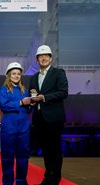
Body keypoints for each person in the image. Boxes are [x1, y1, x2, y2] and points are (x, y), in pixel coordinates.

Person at [29, 45, 68, 185]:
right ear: (37, 59)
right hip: (39, 119)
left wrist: (43, 98)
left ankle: (55, 178)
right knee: (45, 150)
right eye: (41, 56)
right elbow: (32, 96)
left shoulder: (58, 73)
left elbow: (63, 93)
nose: (43, 58)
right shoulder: (33, 78)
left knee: (55, 149)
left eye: (46, 55)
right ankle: (48, 177)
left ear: (51, 58)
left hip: (54, 118)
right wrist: (32, 102)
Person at [0, 62, 32, 185]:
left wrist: (31, 105)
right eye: (14, 73)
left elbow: (29, 110)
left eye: (18, 74)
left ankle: (21, 181)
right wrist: (21, 103)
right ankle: (7, 182)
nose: (16, 76)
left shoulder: (25, 91)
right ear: (8, 75)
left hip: (23, 127)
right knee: (7, 156)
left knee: (23, 156)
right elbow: (4, 105)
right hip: (9, 127)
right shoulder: (3, 90)